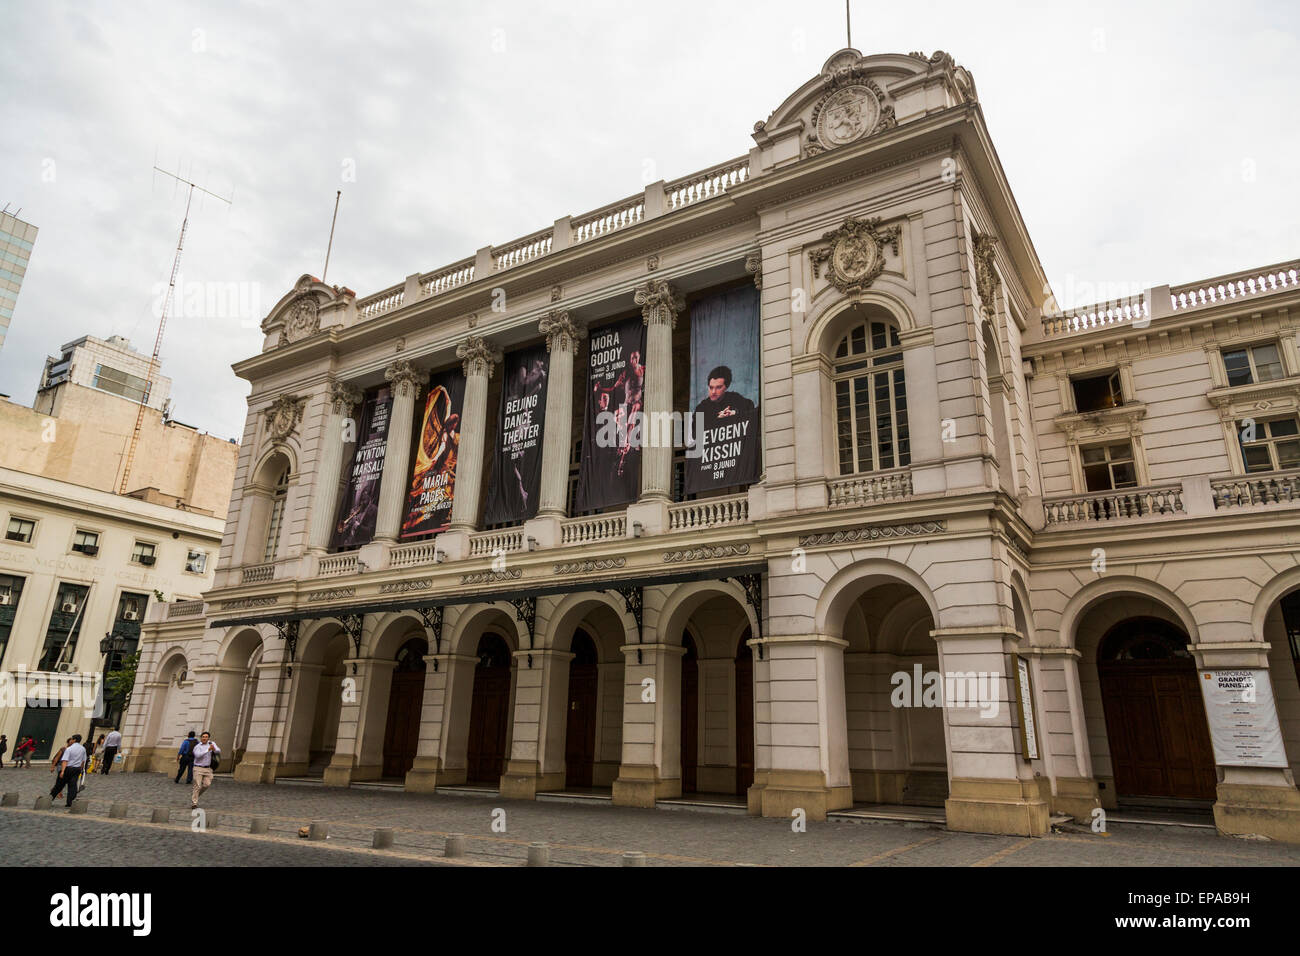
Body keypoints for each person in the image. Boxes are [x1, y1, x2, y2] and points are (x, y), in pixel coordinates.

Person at [49, 735, 87, 807]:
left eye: (72, 739)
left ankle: (50, 799)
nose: (71, 740)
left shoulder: (69, 749)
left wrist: (62, 771)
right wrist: (81, 770)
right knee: (73, 786)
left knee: (59, 785)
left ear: (74, 740)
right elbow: (83, 761)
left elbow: (65, 761)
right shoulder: (83, 749)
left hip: (68, 768)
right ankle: (70, 802)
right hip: (77, 769)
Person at [189, 732, 220, 810]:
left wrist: (214, 749)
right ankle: (194, 803)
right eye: (203, 737)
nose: (204, 738)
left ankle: (195, 795)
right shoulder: (197, 746)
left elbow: (218, 751)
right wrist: (207, 750)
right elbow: (197, 755)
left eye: (206, 737)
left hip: (208, 769)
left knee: (207, 784)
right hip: (198, 768)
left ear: (208, 738)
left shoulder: (212, 743)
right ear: (201, 738)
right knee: (197, 785)